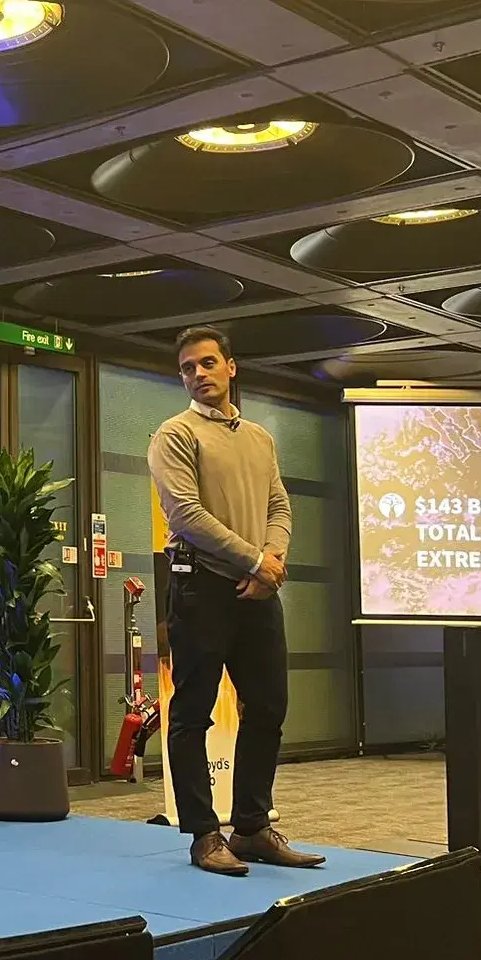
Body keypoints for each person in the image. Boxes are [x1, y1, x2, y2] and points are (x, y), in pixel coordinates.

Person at [146, 326, 324, 876]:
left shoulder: (259, 438)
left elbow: (279, 505)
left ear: (230, 367)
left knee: (268, 707)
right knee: (193, 712)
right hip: (200, 588)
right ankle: (204, 834)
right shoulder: (174, 435)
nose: (198, 375)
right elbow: (185, 516)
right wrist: (256, 562)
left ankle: (250, 827)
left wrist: (271, 564)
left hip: (257, 591)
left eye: (207, 364)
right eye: (187, 369)